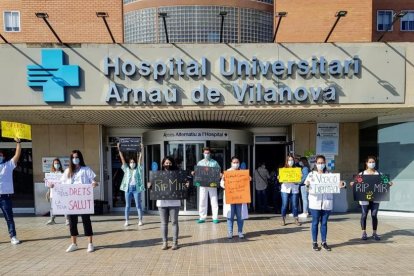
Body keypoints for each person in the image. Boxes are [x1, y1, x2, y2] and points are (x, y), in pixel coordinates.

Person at [305, 155, 346, 251]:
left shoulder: (330, 175)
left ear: (325, 163)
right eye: (318, 163)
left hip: (327, 203)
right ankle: (314, 242)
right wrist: (307, 185)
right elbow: (306, 187)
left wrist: (342, 184)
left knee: (324, 223)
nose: (320, 165)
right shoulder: (311, 175)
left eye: (322, 163)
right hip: (315, 203)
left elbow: (341, 184)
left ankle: (324, 242)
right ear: (315, 164)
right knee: (315, 222)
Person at [61, 150, 98, 253]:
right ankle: (74, 243)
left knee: (86, 220)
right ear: (71, 159)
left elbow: (94, 181)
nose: (75, 159)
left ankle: (90, 243)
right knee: (72, 222)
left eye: (77, 157)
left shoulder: (86, 169)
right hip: (71, 201)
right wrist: (52, 185)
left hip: (83, 201)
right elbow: (61, 183)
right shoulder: (67, 171)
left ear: (80, 158)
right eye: (73, 157)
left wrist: (94, 184)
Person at [148, 157, 187, 250]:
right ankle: (164, 242)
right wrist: (150, 186)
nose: (168, 165)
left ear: (172, 164)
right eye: (166, 163)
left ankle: (175, 242)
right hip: (162, 203)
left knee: (174, 222)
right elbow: (153, 187)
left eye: (169, 163)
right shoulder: (157, 174)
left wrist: (186, 185)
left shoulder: (178, 174)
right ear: (163, 164)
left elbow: (183, 185)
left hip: (174, 202)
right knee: (164, 223)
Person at [350, 156, 393, 241]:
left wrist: (389, 183)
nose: (371, 163)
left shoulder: (379, 174)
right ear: (366, 163)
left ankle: (374, 233)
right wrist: (352, 183)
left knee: (374, 215)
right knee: (364, 214)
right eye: (370, 162)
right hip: (363, 197)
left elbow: (388, 182)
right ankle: (364, 232)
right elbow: (354, 182)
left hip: (376, 197)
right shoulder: (362, 174)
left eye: (373, 162)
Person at [0, 138, 22, 245]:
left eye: (1, 155)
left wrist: (18, 143)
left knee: (9, 218)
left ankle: (13, 236)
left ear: (3, 157)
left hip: (5, 197)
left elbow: (17, 155)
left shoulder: (8, 165)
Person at [117, 143, 145, 227]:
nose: (132, 163)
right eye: (131, 162)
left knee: (138, 205)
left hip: (136, 189)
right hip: (128, 189)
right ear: (129, 163)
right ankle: (127, 220)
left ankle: (140, 220)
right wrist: (119, 149)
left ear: (135, 163)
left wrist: (141, 149)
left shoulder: (138, 169)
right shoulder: (126, 169)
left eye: (133, 162)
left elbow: (140, 159)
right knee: (127, 205)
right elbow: (122, 159)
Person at [221, 157, 249, 239]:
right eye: (234, 162)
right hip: (230, 198)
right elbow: (221, 183)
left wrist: (249, 178)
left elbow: (247, 182)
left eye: (237, 162)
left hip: (240, 198)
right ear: (231, 163)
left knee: (240, 216)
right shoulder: (227, 172)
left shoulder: (242, 172)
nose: (235, 164)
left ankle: (240, 231)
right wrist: (224, 182)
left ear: (239, 163)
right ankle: (230, 232)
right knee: (230, 216)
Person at [195, 147, 221, 224]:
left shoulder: (214, 163)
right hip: (203, 184)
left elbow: (218, 171)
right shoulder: (200, 163)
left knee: (214, 200)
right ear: (203, 153)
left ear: (210, 154)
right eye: (205, 153)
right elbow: (197, 172)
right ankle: (202, 217)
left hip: (212, 183)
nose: (206, 154)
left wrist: (220, 174)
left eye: (208, 153)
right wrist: (194, 173)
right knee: (202, 200)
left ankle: (215, 217)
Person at [45, 158, 69, 225]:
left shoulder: (63, 173)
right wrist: (47, 182)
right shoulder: (51, 173)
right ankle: (52, 219)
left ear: (60, 164)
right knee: (53, 207)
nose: (56, 165)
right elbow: (49, 184)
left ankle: (67, 219)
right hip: (53, 193)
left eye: (58, 163)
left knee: (64, 206)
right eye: (55, 163)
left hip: (61, 193)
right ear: (53, 164)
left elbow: (66, 181)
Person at [280, 155, 301, 226]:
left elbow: (299, 180)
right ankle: (283, 218)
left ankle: (296, 219)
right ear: (287, 161)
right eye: (289, 160)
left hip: (294, 189)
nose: (290, 161)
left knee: (295, 205)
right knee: (284, 204)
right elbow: (280, 181)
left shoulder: (297, 169)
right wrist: (279, 178)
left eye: (292, 160)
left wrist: (297, 180)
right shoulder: (283, 169)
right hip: (285, 189)